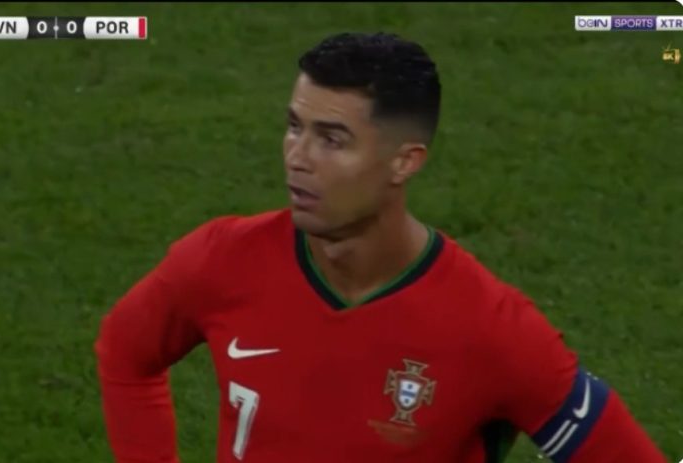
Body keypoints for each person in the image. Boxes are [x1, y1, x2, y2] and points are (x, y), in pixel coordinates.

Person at [94, 32, 668, 463]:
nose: (298, 157)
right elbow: (125, 351)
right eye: (295, 126)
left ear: (404, 161)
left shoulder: (492, 331)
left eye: (332, 139)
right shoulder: (221, 260)